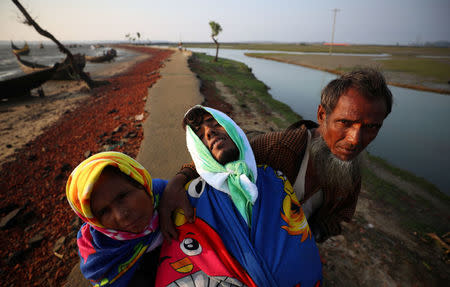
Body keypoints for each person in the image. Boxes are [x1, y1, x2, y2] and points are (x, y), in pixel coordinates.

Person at [160, 68, 393, 243]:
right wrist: (177, 182)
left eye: (372, 127)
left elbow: (341, 216)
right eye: (345, 123)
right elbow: (215, 160)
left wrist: (311, 234)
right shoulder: (279, 147)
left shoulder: (351, 169)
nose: (355, 139)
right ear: (322, 114)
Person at [155, 106, 322, 286]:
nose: (209, 132)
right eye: (201, 135)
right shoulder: (190, 198)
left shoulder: (276, 179)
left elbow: (298, 238)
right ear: (198, 151)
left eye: (216, 124)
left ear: (233, 128)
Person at [66, 151, 167, 286]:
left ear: (141, 183)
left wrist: (184, 175)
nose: (121, 215)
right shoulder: (101, 259)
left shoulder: (169, 194)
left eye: (122, 196)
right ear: (95, 222)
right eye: (104, 212)